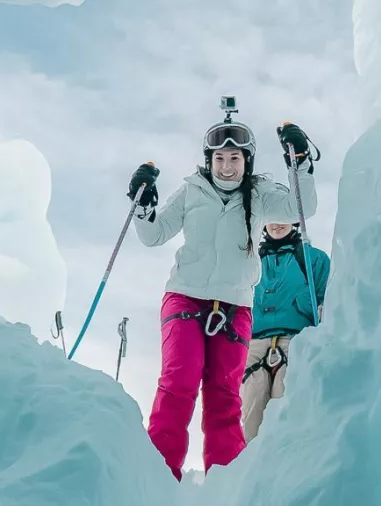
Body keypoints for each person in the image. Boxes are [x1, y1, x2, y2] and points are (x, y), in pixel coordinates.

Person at [126, 108, 320, 481]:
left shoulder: (261, 194)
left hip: (234, 306)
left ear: (246, 160)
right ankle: (160, 479)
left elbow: (302, 208)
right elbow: (153, 235)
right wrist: (143, 206)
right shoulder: (191, 191)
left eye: (234, 158)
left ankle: (225, 486)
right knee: (179, 380)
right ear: (209, 160)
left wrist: (300, 164)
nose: (227, 166)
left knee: (224, 396)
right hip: (185, 297)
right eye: (219, 158)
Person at [239, 222, 329, 441]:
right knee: (252, 402)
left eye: (283, 217)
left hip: (295, 341)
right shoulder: (249, 264)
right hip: (255, 343)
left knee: (285, 397)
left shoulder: (312, 259)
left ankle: (285, 463)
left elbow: (329, 296)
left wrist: (323, 310)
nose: (277, 224)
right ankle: (250, 466)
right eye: (271, 218)